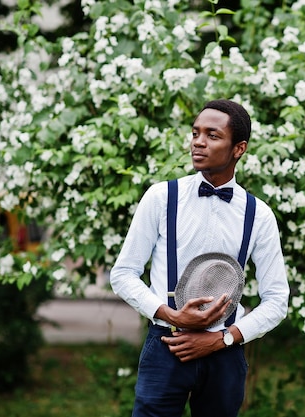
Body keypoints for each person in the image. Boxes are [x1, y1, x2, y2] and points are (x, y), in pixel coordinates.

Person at [110, 99, 290, 417]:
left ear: (239, 148)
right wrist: (171, 315)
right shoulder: (161, 198)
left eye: (212, 135)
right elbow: (123, 273)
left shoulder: (258, 215)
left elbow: (276, 301)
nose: (198, 142)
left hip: (226, 355)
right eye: (195, 133)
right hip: (168, 344)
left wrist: (224, 339)